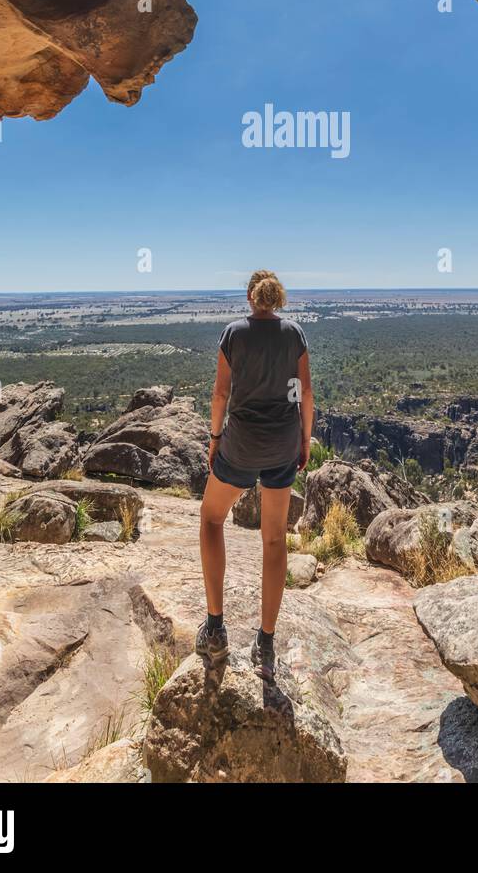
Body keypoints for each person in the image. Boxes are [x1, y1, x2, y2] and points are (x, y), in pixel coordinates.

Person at [195, 269, 314, 679]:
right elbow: (303, 393)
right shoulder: (294, 334)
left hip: (242, 443)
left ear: (250, 296)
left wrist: (214, 438)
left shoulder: (234, 334)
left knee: (211, 519)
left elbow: (221, 394)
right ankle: (265, 641)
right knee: (275, 538)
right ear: (276, 297)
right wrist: (304, 440)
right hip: (282, 443)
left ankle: (215, 628)